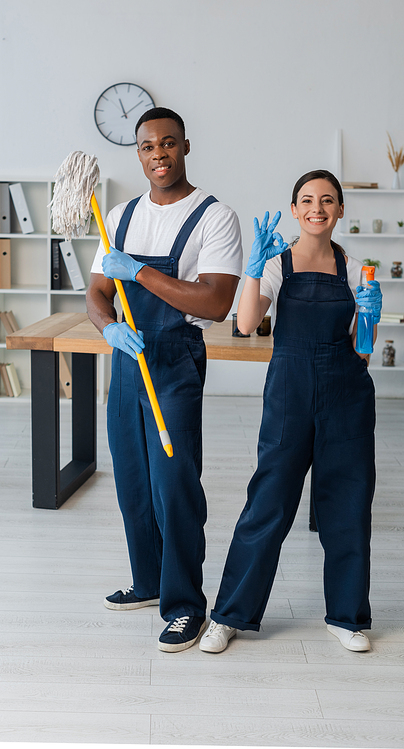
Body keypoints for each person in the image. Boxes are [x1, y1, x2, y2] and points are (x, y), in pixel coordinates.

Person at [199, 169, 382, 654]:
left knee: (347, 504)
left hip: (347, 395)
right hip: (290, 396)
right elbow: (245, 322)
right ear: (296, 210)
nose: (317, 208)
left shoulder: (356, 266)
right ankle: (230, 615)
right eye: (307, 200)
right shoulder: (278, 265)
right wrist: (254, 269)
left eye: (327, 200)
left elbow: (362, 350)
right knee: (268, 503)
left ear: (340, 210)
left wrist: (370, 315)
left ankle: (347, 617)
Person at [86, 107, 242, 652]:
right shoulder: (120, 215)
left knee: (173, 483)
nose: (159, 155)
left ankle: (185, 606)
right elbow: (97, 294)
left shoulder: (214, 216)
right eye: (148, 146)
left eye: (169, 143)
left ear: (186, 146)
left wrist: (140, 272)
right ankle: (149, 581)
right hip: (126, 360)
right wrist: (108, 328)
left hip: (174, 360)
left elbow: (218, 302)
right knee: (131, 479)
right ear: (139, 153)